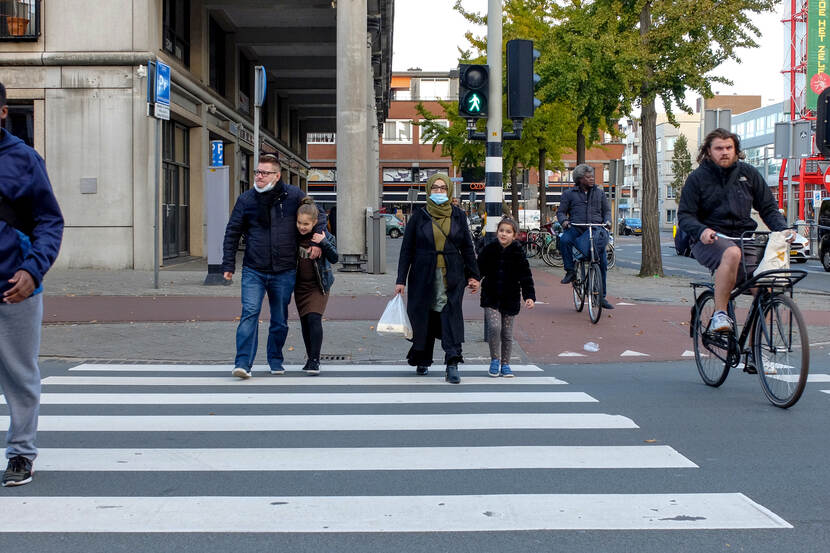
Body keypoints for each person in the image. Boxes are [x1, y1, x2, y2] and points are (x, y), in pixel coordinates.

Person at [0, 82, 64, 487]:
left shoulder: (23, 159)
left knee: (20, 374)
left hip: (14, 285)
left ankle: (21, 453)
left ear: (3, 112)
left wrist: (33, 270)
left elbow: (49, 221)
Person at [678, 128, 793, 333]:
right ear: (708, 151)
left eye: (729, 147)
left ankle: (757, 350)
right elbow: (685, 216)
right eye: (719, 148)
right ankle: (719, 315)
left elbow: (768, 208)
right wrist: (702, 231)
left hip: (744, 238)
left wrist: (783, 230)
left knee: (765, 286)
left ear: (736, 150)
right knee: (731, 252)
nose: (725, 152)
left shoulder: (748, 174)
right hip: (709, 240)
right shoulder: (698, 178)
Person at [222, 154, 326, 379]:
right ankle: (243, 363)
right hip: (253, 269)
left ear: (277, 176)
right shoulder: (246, 200)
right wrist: (228, 263)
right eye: (257, 172)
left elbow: (319, 214)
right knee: (249, 313)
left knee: (279, 319)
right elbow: (232, 232)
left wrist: (317, 239)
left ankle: (275, 358)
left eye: (265, 173)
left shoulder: (294, 196)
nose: (259, 176)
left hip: (284, 270)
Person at [395, 173, 480, 384]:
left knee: (449, 315)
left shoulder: (458, 215)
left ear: (449, 191)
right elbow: (407, 250)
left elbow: (467, 248)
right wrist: (400, 280)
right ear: (429, 190)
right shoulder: (419, 216)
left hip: (452, 275)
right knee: (424, 315)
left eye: (443, 188)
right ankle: (422, 357)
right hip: (423, 274)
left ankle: (452, 362)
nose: (439, 192)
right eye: (435, 188)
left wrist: (474, 276)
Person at [477, 217, 535, 378]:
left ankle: (506, 364)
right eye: (501, 231)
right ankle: (495, 360)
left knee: (507, 334)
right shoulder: (489, 249)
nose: (504, 234)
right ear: (497, 232)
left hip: (511, 298)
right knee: (495, 328)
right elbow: (479, 268)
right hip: (491, 296)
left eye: (508, 232)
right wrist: (474, 280)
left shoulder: (518, 252)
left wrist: (529, 296)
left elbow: (526, 276)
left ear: (514, 235)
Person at [556, 164, 614, 310]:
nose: (592, 179)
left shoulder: (600, 193)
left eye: (592, 176)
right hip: (577, 228)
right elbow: (561, 212)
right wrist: (564, 222)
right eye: (588, 177)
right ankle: (570, 271)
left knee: (602, 264)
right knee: (564, 240)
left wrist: (608, 221)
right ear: (580, 179)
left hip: (595, 230)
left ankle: (601, 297)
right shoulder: (569, 194)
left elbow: (607, 211)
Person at [294, 198, 338, 375]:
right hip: (299, 287)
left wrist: (323, 242)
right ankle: (309, 357)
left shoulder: (323, 236)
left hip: (319, 286)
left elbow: (335, 257)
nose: (302, 227)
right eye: (299, 223)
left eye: (306, 224)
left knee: (313, 319)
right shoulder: (293, 236)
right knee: (305, 322)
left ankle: (315, 360)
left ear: (314, 222)